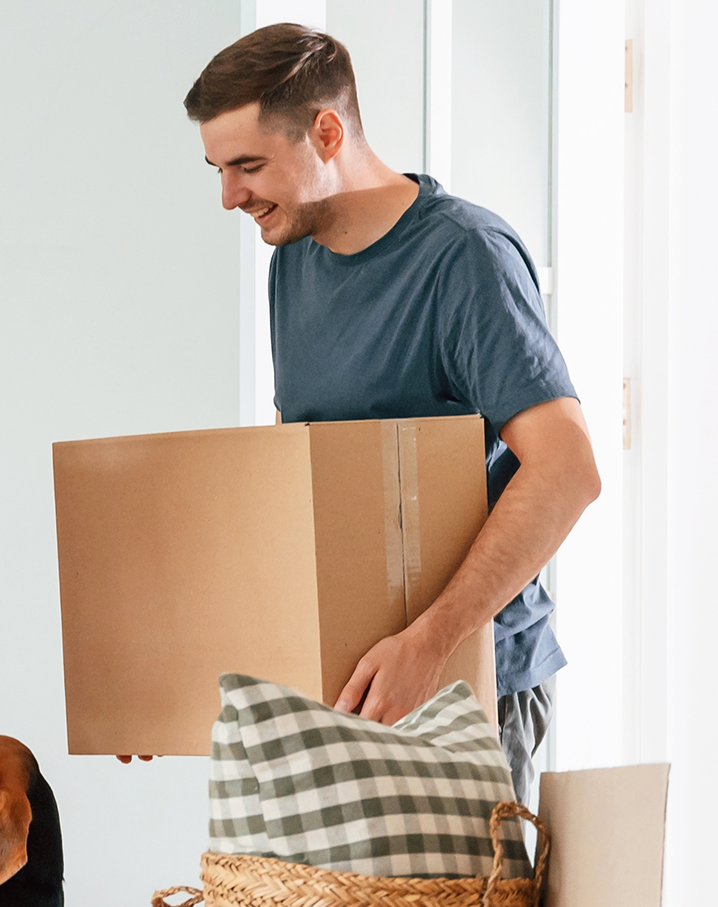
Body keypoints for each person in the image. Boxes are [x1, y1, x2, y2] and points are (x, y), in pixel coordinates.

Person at [182, 24, 599, 821]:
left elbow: (567, 470)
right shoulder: (290, 267)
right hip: (344, 690)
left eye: (248, 165)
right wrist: (187, 670)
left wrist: (430, 644)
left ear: (326, 133)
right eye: (219, 169)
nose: (229, 196)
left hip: (468, 686)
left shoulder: (464, 259)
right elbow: (293, 486)